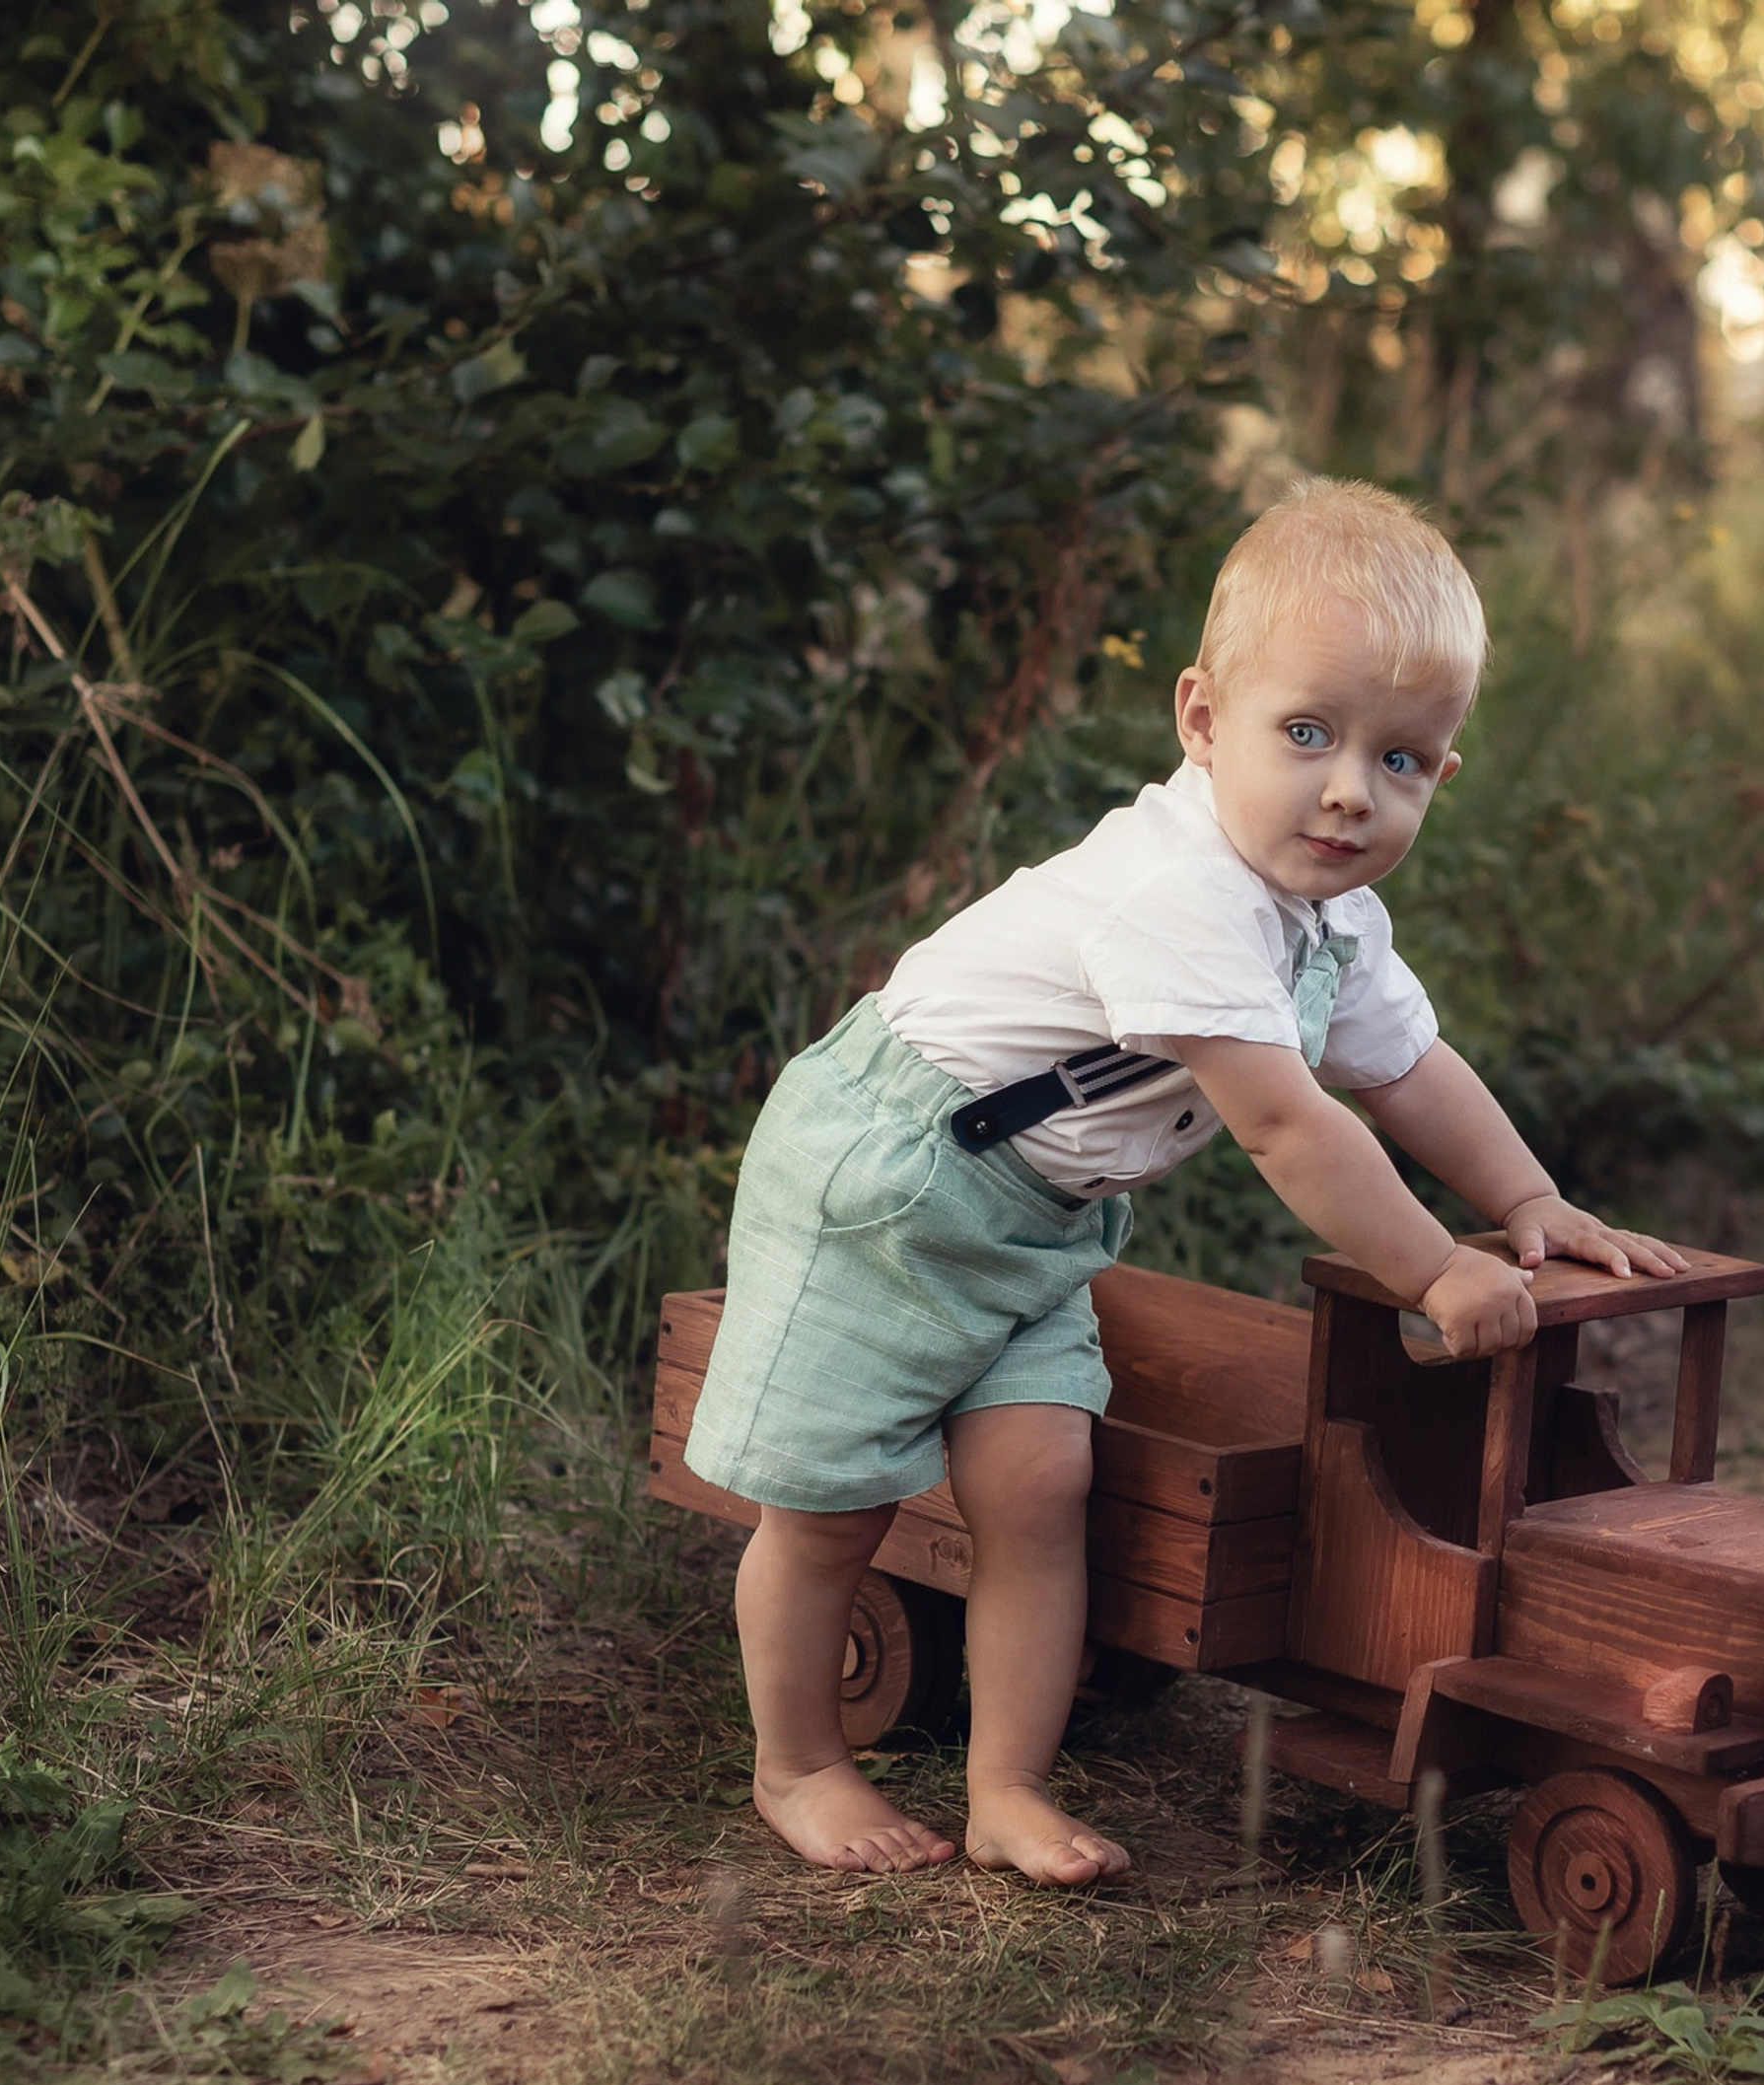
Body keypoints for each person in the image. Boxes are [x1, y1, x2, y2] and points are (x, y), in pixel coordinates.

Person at [681, 477, 1684, 1885]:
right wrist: (1434, 1269)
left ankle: (1008, 1788)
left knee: (1041, 1478)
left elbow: (1405, 1070)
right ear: (1205, 721)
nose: (1350, 789)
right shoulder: (1181, 896)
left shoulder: (1331, 917)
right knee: (832, 1505)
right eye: (1308, 733)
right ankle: (797, 1761)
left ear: (1441, 777)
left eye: (1401, 760)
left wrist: (1524, 1201)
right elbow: (1289, 1126)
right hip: (888, 1179)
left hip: (1035, 1217)